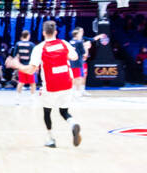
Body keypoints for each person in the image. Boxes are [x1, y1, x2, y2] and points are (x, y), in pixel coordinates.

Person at [28, 20, 80, 149]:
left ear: (44, 33)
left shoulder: (39, 48)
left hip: (50, 86)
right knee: (64, 111)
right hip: (67, 83)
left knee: (47, 112)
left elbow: (31, 70)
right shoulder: (64, 43)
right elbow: (75, 57)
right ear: (56, 32)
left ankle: (51, 139)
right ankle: (73, 124)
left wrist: (16, 64)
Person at [9, 30, 35, 103]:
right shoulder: (31, 44)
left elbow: (15, 55)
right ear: (28, 35)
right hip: (30, 66)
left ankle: (17, 97)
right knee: (32, 82)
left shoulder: (18, 44)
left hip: (21, 66)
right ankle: (32, 97)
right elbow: (34, 55)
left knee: (21, 82)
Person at [68, 27, 89, 94]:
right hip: (79, 62)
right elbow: (83, 53)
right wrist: (86, 47)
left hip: (71, 62)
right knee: (79, 77)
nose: (81, 35)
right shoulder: (79, 42)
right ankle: (78, 91)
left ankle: (73, 91)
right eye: (80, 33)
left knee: (73, 77)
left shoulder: (70, 41)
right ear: (77, 34)